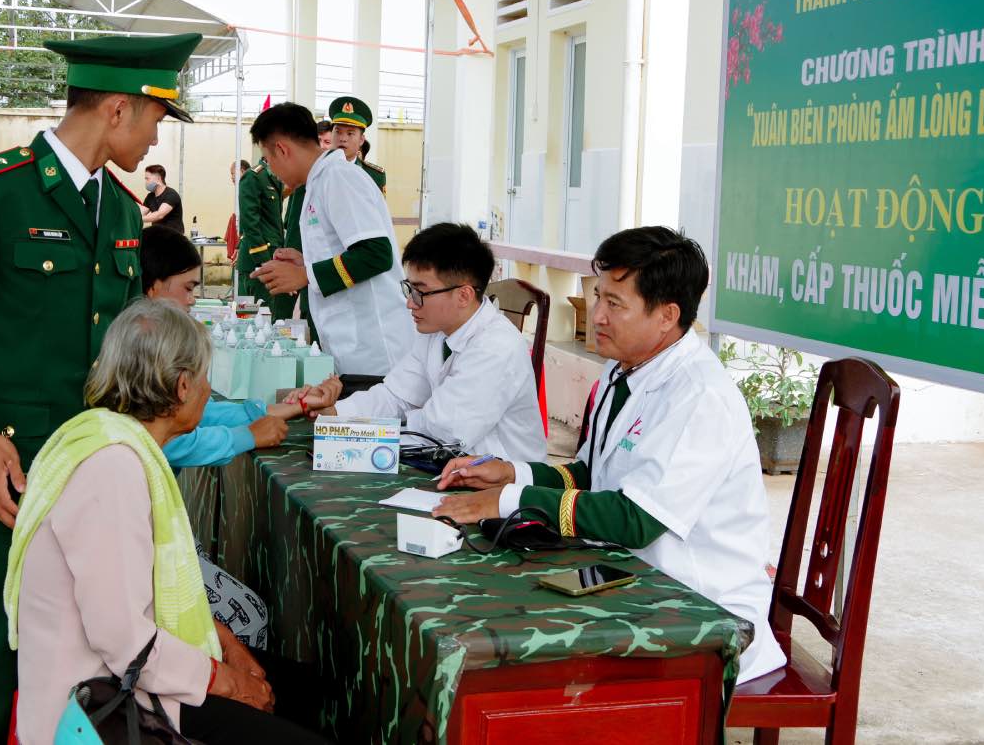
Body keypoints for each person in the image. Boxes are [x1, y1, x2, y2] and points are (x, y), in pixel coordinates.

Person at [0, 32, 204, 744]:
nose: (159, 132)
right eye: (157, 116)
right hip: (14, 468)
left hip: (95, 473)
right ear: (120, 111)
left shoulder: (123, 211)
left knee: (85, 657)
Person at [433, 226, 787, 684]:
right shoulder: (625, 370)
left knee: (526, 664)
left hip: (700, 613)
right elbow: (591, 472)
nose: (596, 315)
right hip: (633, 582)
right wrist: (510, 472)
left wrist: (509, 500)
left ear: (666, 316)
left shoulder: (699, 395)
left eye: (614, 304)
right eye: (597, 296)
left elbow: (636, 519)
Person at [5, 299, 331, 745]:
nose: (206, 388)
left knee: (307, 690)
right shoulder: (111, 468)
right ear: (182, 387)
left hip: (131, 670)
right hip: (103, 702)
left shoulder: (114, 438)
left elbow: (153, 600)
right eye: (203, 377)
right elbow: (124, 643)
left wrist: (229, 647)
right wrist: (230, 681)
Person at [140, 227, 337, 648]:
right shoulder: (146, 348)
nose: (194, 299)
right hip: (142, 550)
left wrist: (275, 410)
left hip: (155, 535)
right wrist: (247, 434)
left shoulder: (144, 337)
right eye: (189, 288)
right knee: (248, 619)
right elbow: (173, 438)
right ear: (154, 287)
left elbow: (199, 415)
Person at [305, 223, 546, 463]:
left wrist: (361, 432)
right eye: (409, 288)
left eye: (420, 291)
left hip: (500, 487)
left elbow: (444, 431)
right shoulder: (436, 331)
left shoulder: (496, 347)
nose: (410, 302)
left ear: (464, 295)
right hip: (445, 463)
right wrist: (336, 414)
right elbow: (396, 395)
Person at [248, 103, 413, 389]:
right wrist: (305, 262)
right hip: (351, 348)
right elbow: (349, 250)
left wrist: (306, 275)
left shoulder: (339, 178)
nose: (271, 171)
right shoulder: (318, 183)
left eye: (268, 159)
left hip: (374, 353)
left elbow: (377, 254)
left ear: (282, 149)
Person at [234, 156, 284, 310]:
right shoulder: (253, 177)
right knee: (251, 318)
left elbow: (273, 223)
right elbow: (250, 224)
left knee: (268, 314)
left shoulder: (274, 178)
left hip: (270, 259)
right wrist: (264, 261)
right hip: (256, 262)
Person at [327, 95, 386, 193]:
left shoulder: (374, 176)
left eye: (350, 133)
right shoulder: (315, 169)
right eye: (338, 132)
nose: (343, 139)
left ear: (361, 140)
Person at [140, 163, 185, 233]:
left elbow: (159, 215)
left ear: (158, 178)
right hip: (159, 235)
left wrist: (138, 219)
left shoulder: (171, 194)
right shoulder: (150, 197)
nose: (146, 182)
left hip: (174, 237)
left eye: (147, 179)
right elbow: (139, 213)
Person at [224, 158, 251, 263]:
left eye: (233, 173)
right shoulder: (241, 191)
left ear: (242, 171)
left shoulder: (249, 190)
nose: (232, 177)